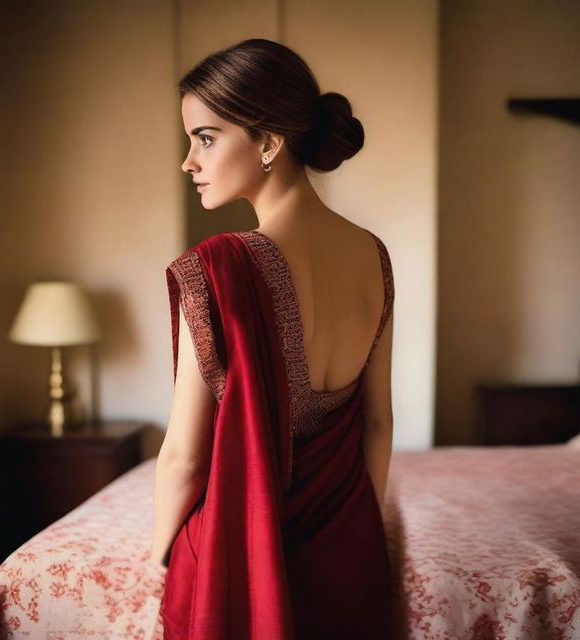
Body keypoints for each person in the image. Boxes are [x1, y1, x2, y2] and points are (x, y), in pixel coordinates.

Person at [150, 38, 396, 640]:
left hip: (246, 554)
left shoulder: (216, 267)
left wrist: (159, 559)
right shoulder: (375, 256)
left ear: (268, 142)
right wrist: (363, 534)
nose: (189, 161)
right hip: (349, 552)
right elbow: (379, 424)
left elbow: (184, 457)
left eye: (205, 137)